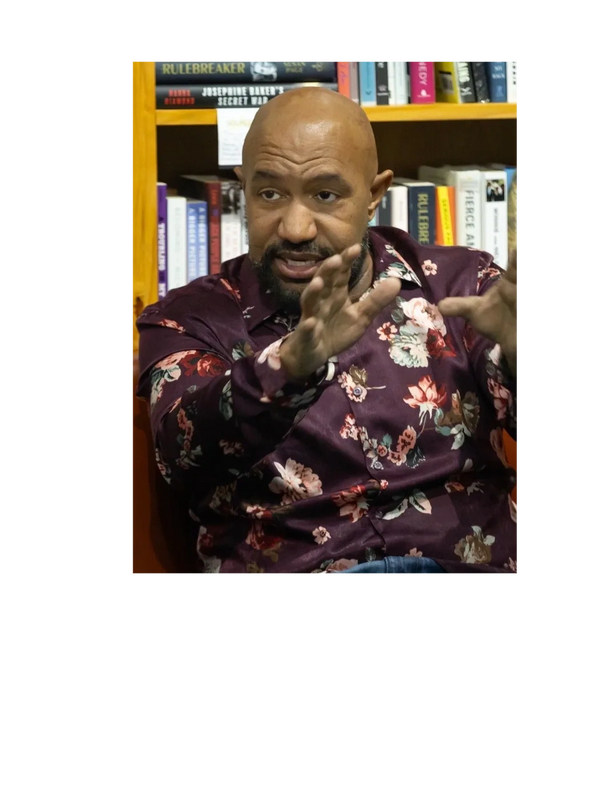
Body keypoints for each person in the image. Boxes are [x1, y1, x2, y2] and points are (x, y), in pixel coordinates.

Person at [136, 88, 520, 577]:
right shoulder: (189, 318)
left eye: (325, 195)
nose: (295, 227)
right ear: (243, 189)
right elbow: (181, 452)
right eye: (269, 193)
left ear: (374, 196)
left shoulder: (459, 285)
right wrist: (286, 370)